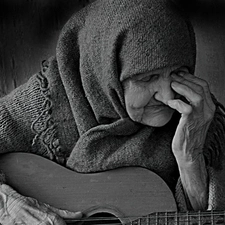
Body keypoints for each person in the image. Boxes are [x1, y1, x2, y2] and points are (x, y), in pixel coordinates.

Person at [1, 0, 225, 224]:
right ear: (106, 72)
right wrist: (7, 203)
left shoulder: (199, 117)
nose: (168, 97)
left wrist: (190, 158)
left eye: (178, 73)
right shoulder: (47, 103)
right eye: (147, 78)